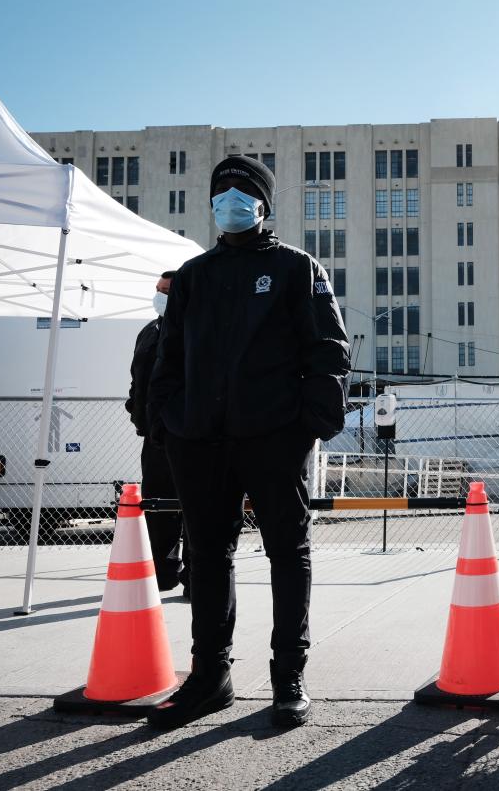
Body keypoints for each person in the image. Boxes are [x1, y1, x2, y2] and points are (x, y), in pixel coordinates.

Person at [146, 156, 350, 730]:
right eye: (220, 192)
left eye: (242, 191)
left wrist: (307, 426)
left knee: (288, 551)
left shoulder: (295, 268)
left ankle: (289, 678)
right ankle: (210, 678)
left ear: (263, 203)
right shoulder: (193, 275)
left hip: (273, 437)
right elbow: (170, 357)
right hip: (200, 440)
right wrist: (167, 421)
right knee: (208, 556)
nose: (229, 200)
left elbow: (328, 351)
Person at [125, 270, 187, 597]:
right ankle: (162, 574)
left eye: (167, 291)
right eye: (158, 290)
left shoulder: (195, 330)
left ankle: (195, 578)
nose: (160, 296)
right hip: (154, 437)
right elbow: (138, 378)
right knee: (157, 507)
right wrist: (134, 405)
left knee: (192, 508)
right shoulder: (149, 331)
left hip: (188, 436)